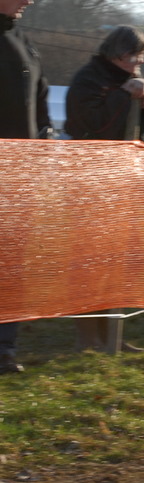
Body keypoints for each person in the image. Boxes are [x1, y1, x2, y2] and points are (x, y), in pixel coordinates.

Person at [65, 25, 144, 353]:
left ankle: (113, 334)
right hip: (91, 183)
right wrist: (122, 94)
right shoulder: (89, 79)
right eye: (134, 55)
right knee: (89, 261)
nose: (139, 62)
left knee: (116, 261)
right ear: (117, 53)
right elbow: (89, 123)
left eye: (142, 56)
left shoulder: (134, 79)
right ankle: (89, 337)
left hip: (124, 185)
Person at [0, 0, 49, 373]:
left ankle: (4, 349)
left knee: (12, 261)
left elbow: (41, 101)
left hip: (20, 175)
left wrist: (44, 148)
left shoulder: (22, 39)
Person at [65, 25, 144, 141]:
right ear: (124, 53)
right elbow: (94, 127)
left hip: (128, 155)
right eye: (140, 54)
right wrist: (124, 94)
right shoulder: (87, 80)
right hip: (90, 155)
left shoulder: (131, 78)